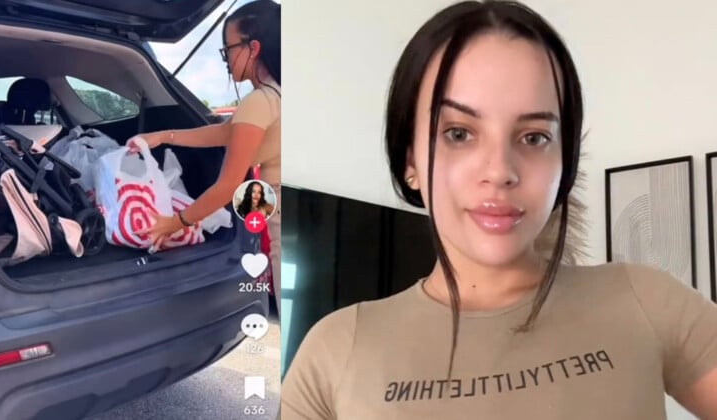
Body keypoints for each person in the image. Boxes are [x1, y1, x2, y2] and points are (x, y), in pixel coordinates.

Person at [280, 1, 717, 419]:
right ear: (410, 159)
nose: (500, 171)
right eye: (458, 133)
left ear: (564, 162)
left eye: (533, 137)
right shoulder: (335, 353)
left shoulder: (645, 302)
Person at [130, 0, 283, 310]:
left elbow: (228, 187)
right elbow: (224, 133)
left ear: (253, 47)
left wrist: (176, 222)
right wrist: (163, 137)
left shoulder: (260, 100)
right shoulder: (276, 94)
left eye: (228, 48)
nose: (225, 58)